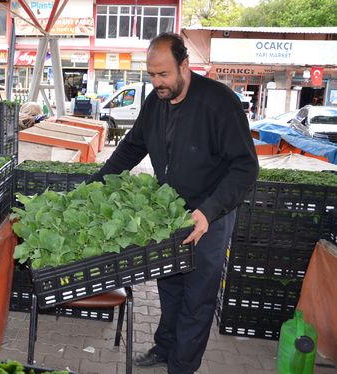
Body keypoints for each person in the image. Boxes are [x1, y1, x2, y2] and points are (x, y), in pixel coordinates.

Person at [88, 33, 258, 373]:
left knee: (197, 297)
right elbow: (132, 147)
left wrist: (209, 211)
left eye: (163, 74)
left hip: (210, 215)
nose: (157, 82)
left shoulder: (219, 103)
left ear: (184, 65)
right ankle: (166, 347)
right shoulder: (156, 102)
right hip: (170, 214)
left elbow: (246, 167)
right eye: (151, 75)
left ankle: (182, 366)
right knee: (170, 285)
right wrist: (93, 186)